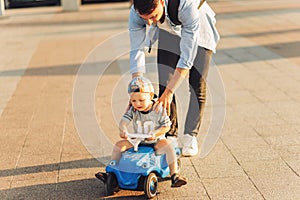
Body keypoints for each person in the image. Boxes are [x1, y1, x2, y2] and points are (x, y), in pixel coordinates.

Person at [129, 0, 220, 156]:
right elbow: (137, 49)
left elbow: (187, 59)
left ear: (161, 2)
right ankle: (171, 134)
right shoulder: (136, 12)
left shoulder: (185, 6)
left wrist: (171, 91)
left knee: (197, 86)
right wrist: (137, 87)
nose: (150, 22)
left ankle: (190, 136)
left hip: (199, 32)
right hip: (169, 32)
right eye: (145, 18)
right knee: (164, 83)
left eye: (153, 16)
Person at [95, 76, 187, 188]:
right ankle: (112, 171)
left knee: (168, 146)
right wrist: (123, 129)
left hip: (155, 141)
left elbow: (166, 126)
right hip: (138, 140)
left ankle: (175, 175)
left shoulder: (158, 109)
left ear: (151, 96)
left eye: (141, 100)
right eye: (133, 100)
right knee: (119, 145)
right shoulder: (133, 110)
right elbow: (123, 121)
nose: (137, 104)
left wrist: (155, 134)